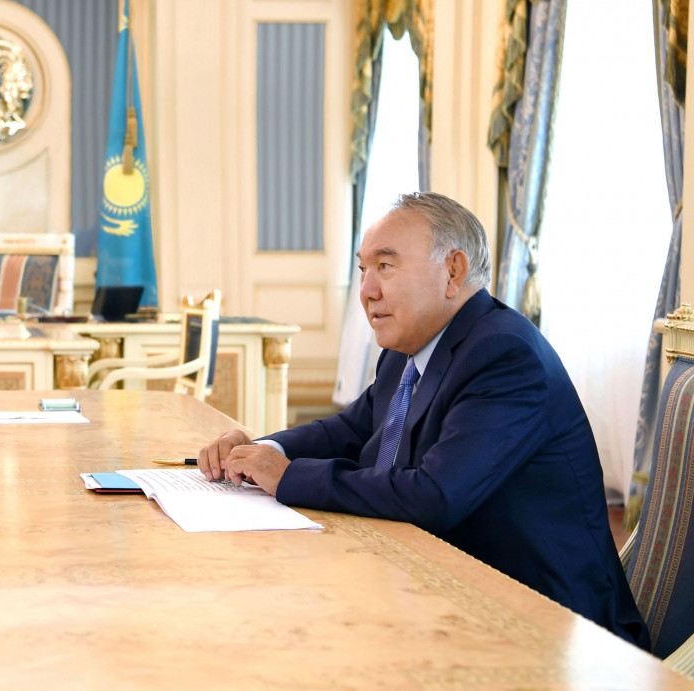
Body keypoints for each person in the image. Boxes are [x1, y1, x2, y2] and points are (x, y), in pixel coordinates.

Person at [198, 192, 649, 648]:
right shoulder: (408, 349)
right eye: (363, 269)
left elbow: (436, 495)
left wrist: (288, 477)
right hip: (439, 586)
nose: (367, 290)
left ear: (453, 271)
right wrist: (261, 451)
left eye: (385, 266)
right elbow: (350, 430)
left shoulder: (505, 355)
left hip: (547, 625)